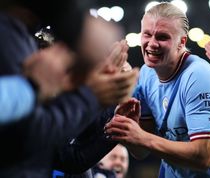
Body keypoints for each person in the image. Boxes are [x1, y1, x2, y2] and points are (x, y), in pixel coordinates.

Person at [106, 2, 210, 178]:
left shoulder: (198, 76)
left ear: (181, 42)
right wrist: (130, 131)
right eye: (147, 34)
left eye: (162, 37)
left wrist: (142, 137)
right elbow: (141, 152)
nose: (152, 44)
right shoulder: (147, 74)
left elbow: (203, 157)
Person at [0, 1, 138, 177]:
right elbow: (25, 141)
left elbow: (67, 158)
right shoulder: (7, 36)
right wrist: (91, 95)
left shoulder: (19, 34)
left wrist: (111, 119)